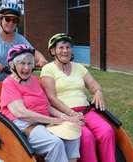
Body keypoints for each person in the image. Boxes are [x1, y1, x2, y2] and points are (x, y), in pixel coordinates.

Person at [40, 33, 116, 162]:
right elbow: (51, 98)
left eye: (68, 47)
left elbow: (93, 85)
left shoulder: (79, 67)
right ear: (53, 51)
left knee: (106, 131)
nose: (65, 51)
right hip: (64, 113)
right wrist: (72, 114)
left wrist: (98, 91)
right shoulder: (48, 69)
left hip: (86, 110)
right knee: (86, 137)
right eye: (61, 47)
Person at [0, 44, 82, 162]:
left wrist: (66, 117)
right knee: (55, 143)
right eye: (22, 63)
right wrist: (55, 120)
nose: (27, 68)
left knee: (72, 135)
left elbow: (46, 106)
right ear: (12, 65)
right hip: (26, 126)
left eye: (29, 63)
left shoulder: (34, 80)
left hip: (44, 122)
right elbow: (21, 113)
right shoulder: (9, 83)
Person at [0, 2, 47, 99]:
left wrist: (41, 60)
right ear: (1, 19)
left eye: (14, 20)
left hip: (7, 83)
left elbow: (33, 52)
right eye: (7, 19)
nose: (11, 23)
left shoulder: (19, 39)